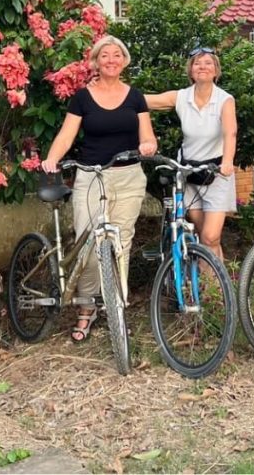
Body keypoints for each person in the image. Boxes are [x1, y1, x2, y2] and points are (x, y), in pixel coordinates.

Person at [41, 35, 158, 343]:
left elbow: (148, 136)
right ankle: (86, 308)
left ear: (124, 61)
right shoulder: (82, 97)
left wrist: (147, 145)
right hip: (90, 176)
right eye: (104, 55)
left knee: (121, 245)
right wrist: (52, 158)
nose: (110, 60)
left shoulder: (135, 97)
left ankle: (117, 308)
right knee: (88, 245)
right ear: (95, 61)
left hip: (129, 178)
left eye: (116, 55)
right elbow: (67, 135)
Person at [145, 46, 237, 262]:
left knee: (210, 236)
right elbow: (146, 100)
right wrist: (111, 89)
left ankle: (214, 288)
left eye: (208, 63)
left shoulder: (224, 100)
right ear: (191, 70)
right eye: (197, 63)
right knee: (203, 234)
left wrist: (227, 161)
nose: (202, 67)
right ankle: (214, 285)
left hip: (216, 172)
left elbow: (230, 132)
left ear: (216, 70)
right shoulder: (181, 97)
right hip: (189, 173)